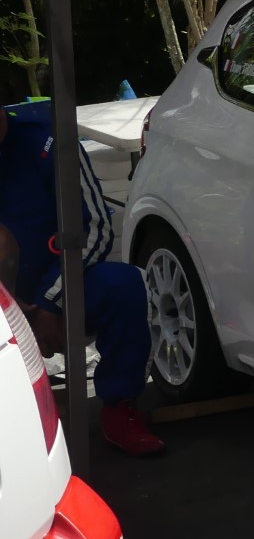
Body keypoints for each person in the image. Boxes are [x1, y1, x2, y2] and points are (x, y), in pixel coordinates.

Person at [0, 99, 162, 455]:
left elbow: (96, 228)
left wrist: (51, 302)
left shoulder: (50, 142)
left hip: (60, 283)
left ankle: (120, 409)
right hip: (4, 299)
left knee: (124, 286)